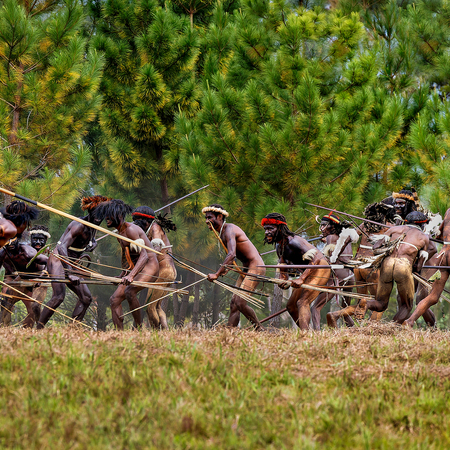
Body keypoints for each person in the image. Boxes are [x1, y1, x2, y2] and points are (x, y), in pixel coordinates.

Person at [327, 211, 430, 327]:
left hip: (386, 264)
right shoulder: (424, 237)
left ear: (406, 221)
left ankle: (356, 308)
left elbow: (376, 246)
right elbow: (419, 266)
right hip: (403, 266)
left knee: (380, 303)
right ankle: (392, 329)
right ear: (422, 224)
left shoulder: (394, 229)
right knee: (407, 306)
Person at [37, 195, 109, 329]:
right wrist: (70, 272)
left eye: (102, 214)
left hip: (72, 261)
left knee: (86, 298)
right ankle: (38, 329)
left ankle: (72, 329)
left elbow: (86, 239)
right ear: (90, 211)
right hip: (59, 259)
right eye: (96, 213)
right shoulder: (79, 225)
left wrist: (93, 242)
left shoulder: (94, 225)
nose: (99, 217)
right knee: (58, 296)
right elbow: (62, 247)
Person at [94, 199, 160, 330]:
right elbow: (130, 258)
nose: (107, 218)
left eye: (110, 215)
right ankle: (119, 333)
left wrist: (131, 276)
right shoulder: (120, 234)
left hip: (150, 265)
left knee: (130, 291)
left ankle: (138, 329)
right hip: (137, 267)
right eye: (106, 215)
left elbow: (144, 255)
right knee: (114, 300)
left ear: (119, 216)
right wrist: (123, 274)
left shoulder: (131, 230)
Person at [262, 212, 331, 330]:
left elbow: (316, 259)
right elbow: (283, 270)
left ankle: (305, 335)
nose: (267, 232)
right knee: (291, 306)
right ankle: (308, 332)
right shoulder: (279, 247)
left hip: (320, 267)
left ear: (280, 228)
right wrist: (283, 280)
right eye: (265, 229)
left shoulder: (294, 241)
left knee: (302, 302)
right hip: (309, 272)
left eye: (270, 228)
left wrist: (301, 278)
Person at [204, 204, 265, 330]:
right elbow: (233, 257)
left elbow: (232, 254)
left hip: (256, 267)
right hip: (247, 268)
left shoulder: (229, 229)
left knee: (240, 302)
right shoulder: (222, 233)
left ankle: (259, 329)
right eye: (206, 218)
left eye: (209, 217)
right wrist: (226, 268)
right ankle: (229, 332)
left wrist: (217, 274)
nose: (206, 221)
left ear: (219, 217)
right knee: (234, 304)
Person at [310, 213, 358, 329]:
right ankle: (354, 330)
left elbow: (328, 258)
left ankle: (317, 334)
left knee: (315, 307)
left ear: (332, 226)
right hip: (350, 276)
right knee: (345, 309)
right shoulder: (345, 236)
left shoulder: (330, 237)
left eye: (324, 225)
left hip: (337, 276)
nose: (322, 228)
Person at [404, 207, 450, 327]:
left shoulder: (448, 211)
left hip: (443, 255)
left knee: (433, 296)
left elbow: (439, 235)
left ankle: (410, 321)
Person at [132, 206, 177, 330]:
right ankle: (165, 332)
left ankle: (156, 333)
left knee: (149, 307)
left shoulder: (155, 227)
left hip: (164, 271)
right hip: (168, 271)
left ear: (146, 220)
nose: (136, 223)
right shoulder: (148, 229)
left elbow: (156, 244)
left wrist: (153, 251)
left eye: (138, 220)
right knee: (156, 306)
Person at [0, 236, 48, 327]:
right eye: (7, 240)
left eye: (12, 240)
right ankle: (3, 329)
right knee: (6, 302)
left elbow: (48, 261)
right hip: (23, 278)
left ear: (17, 239)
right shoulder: (3, 253)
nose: (10, 243)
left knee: (35, 306)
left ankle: (40, 329)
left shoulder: (27, 252)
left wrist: (42, 276)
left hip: (38, 279)